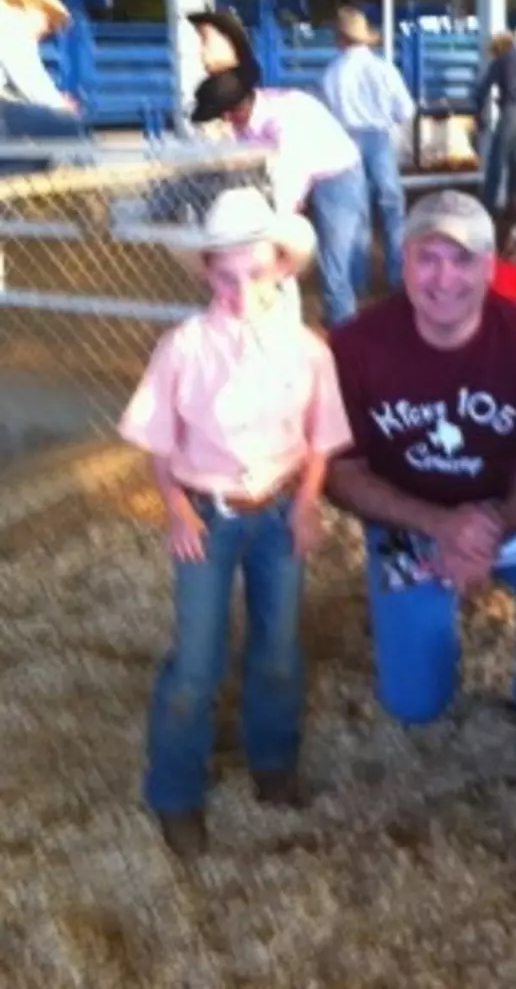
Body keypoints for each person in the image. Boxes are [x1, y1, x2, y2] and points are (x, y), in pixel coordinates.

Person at [118, 187, 353, 860]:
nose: (239, 289)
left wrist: (308, 500)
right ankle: (175, 790)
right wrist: (175, 505)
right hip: (209, 512)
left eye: (255, 272)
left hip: (279, 509)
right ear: (207, 272)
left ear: (282, 266)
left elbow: (321, 437)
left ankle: (273, 761)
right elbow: (162, 440)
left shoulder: (309, 349)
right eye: (225, 275)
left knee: (278, 646)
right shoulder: (183, 347)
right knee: (196, 658)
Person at [326, 189, 516, 768]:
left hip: (508, 515)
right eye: (427, 258)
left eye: (462, 260)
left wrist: (489, 526)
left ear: (490, 268)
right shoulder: (357, 346)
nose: (443, 278)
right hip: (410, 519)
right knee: (415, 705)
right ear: (402, 262)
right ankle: (415, 631)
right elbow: (339, 473)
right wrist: (440, 525)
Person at [191, 66, 368, 328]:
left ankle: (344, 327)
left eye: (223, 115)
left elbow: (291, 171)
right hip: (321, 169)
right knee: (339, 255)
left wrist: (274, 224)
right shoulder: (257, 113)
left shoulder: (284, 117)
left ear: (230, 112)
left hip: (337, 172)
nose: (223, 121)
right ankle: (347, 310)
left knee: (334, 261)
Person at [322, 6, 415, 293]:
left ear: (340, 38)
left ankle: (358, 279)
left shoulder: (331, 73)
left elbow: (326, 113)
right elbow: (406, 110)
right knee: (392, 207)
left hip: (345, 139)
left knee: (355, 210)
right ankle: (397, 275)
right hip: (378, 137)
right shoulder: (383, 68)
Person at [0, 0, 82, 173]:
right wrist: (60, 106)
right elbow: (30, 81)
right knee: (66, 126)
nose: (49, 28)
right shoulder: (10, 26)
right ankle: (87, 192)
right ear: (29, 6)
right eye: (48, 19)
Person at [473, 31, 516, 215]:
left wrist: (478, 112)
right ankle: (515, 201)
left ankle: (488, 206)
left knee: (497, 159)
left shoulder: (500, 61)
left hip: (510, 113)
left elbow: (484, 89)